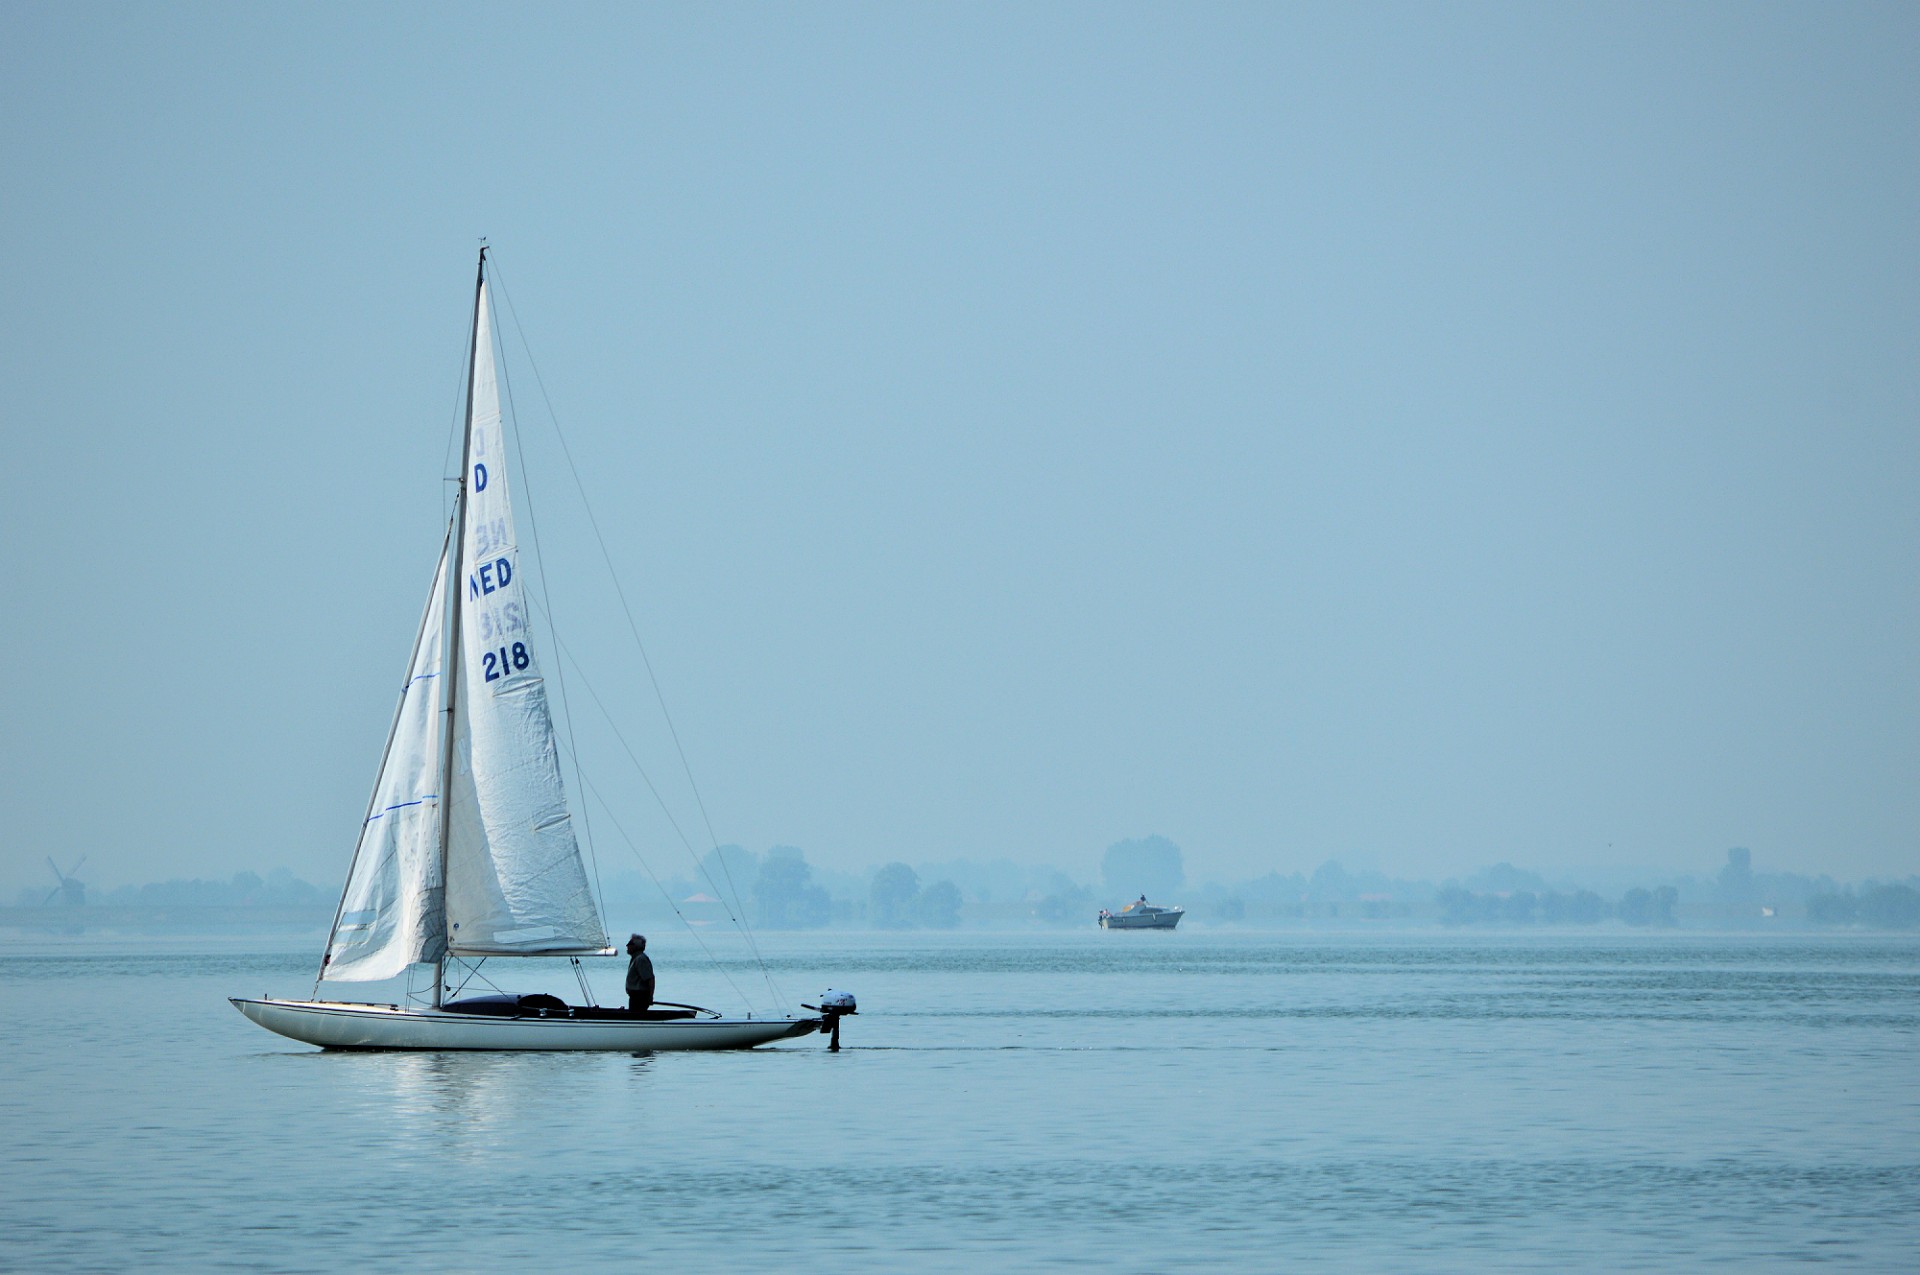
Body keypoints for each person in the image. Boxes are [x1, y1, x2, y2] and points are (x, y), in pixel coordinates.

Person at [625, 934, 655, 1015]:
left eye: (630, 944)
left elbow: (650, 978)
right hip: (635, 996)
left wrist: (650, 997)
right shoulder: (636, 958)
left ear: (636, 946)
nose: (627, 946)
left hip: (639, 996)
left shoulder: (640, 959)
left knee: (636, 1015)